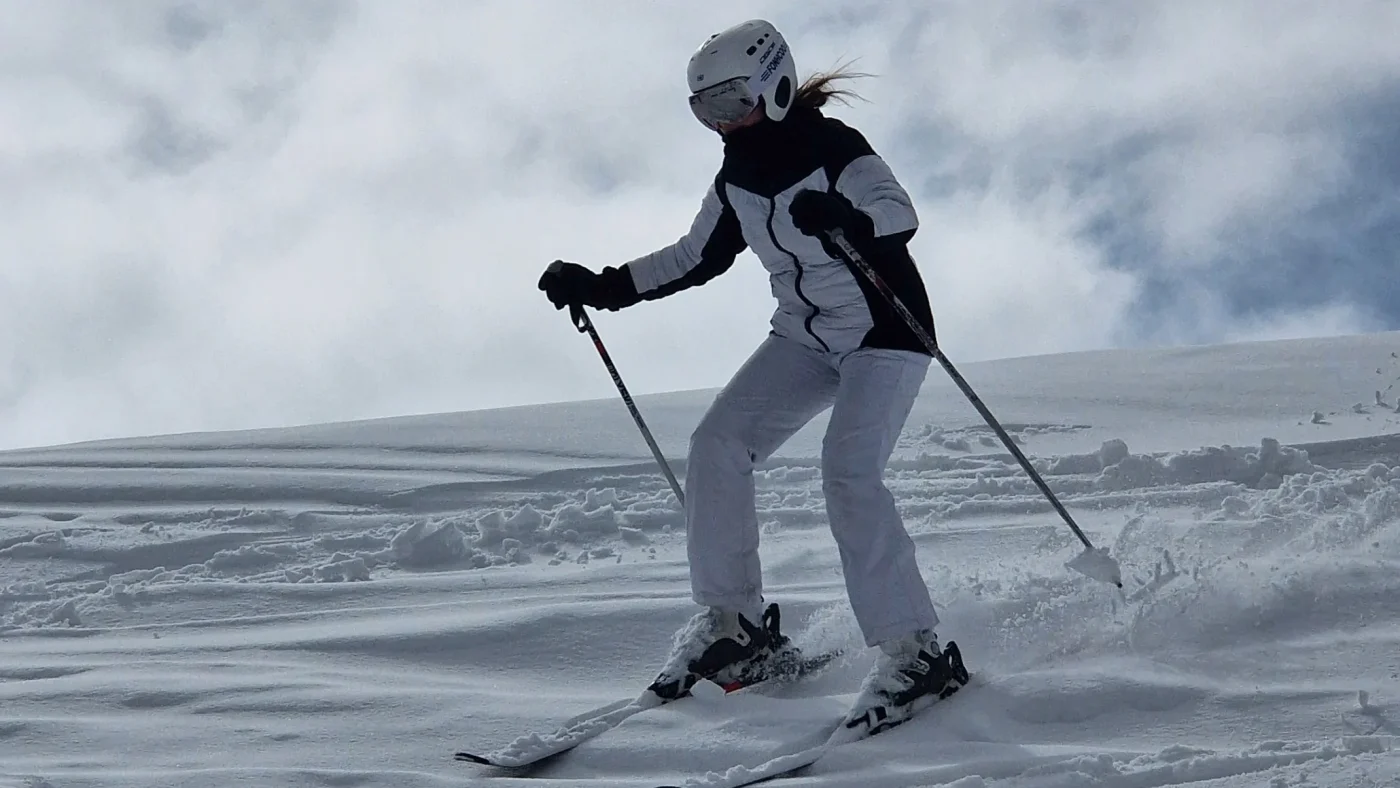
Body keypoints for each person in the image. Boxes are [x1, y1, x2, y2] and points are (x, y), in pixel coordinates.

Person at [538, 19, 963, 722]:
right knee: (717, 445)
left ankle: (916, 652)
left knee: (848, 473)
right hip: (802, 337)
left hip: (884, 332)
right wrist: (603, 286)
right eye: (705, 108)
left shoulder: (835, 149)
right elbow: (694, 256)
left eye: (733, 101)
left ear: (775, 87)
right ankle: (735, 630)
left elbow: (897, 212)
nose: (722, 121)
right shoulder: (737, 178)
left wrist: (847, 219)